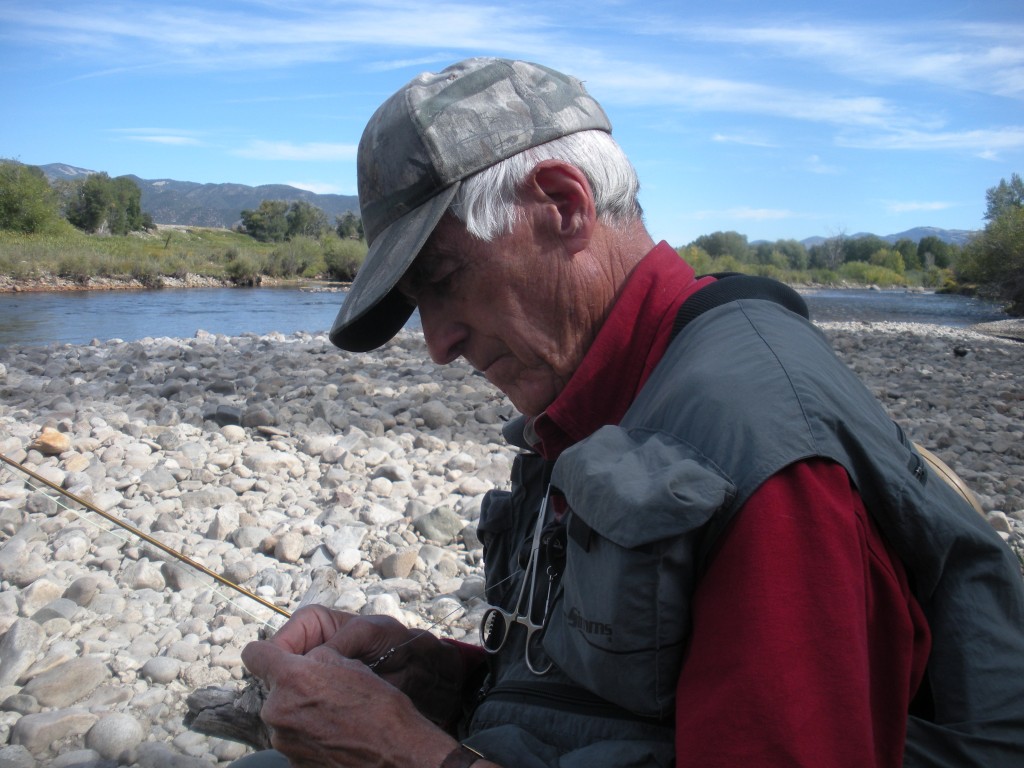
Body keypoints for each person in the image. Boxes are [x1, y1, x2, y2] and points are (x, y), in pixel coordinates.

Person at [239, 57, 1024, 767]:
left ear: (561, 204)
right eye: (416, 304)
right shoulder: (606, 394)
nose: (438, 344)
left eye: (443, 279)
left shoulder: (761, 453)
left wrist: (406, 755)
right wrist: (442, 681)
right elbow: (628, 709)